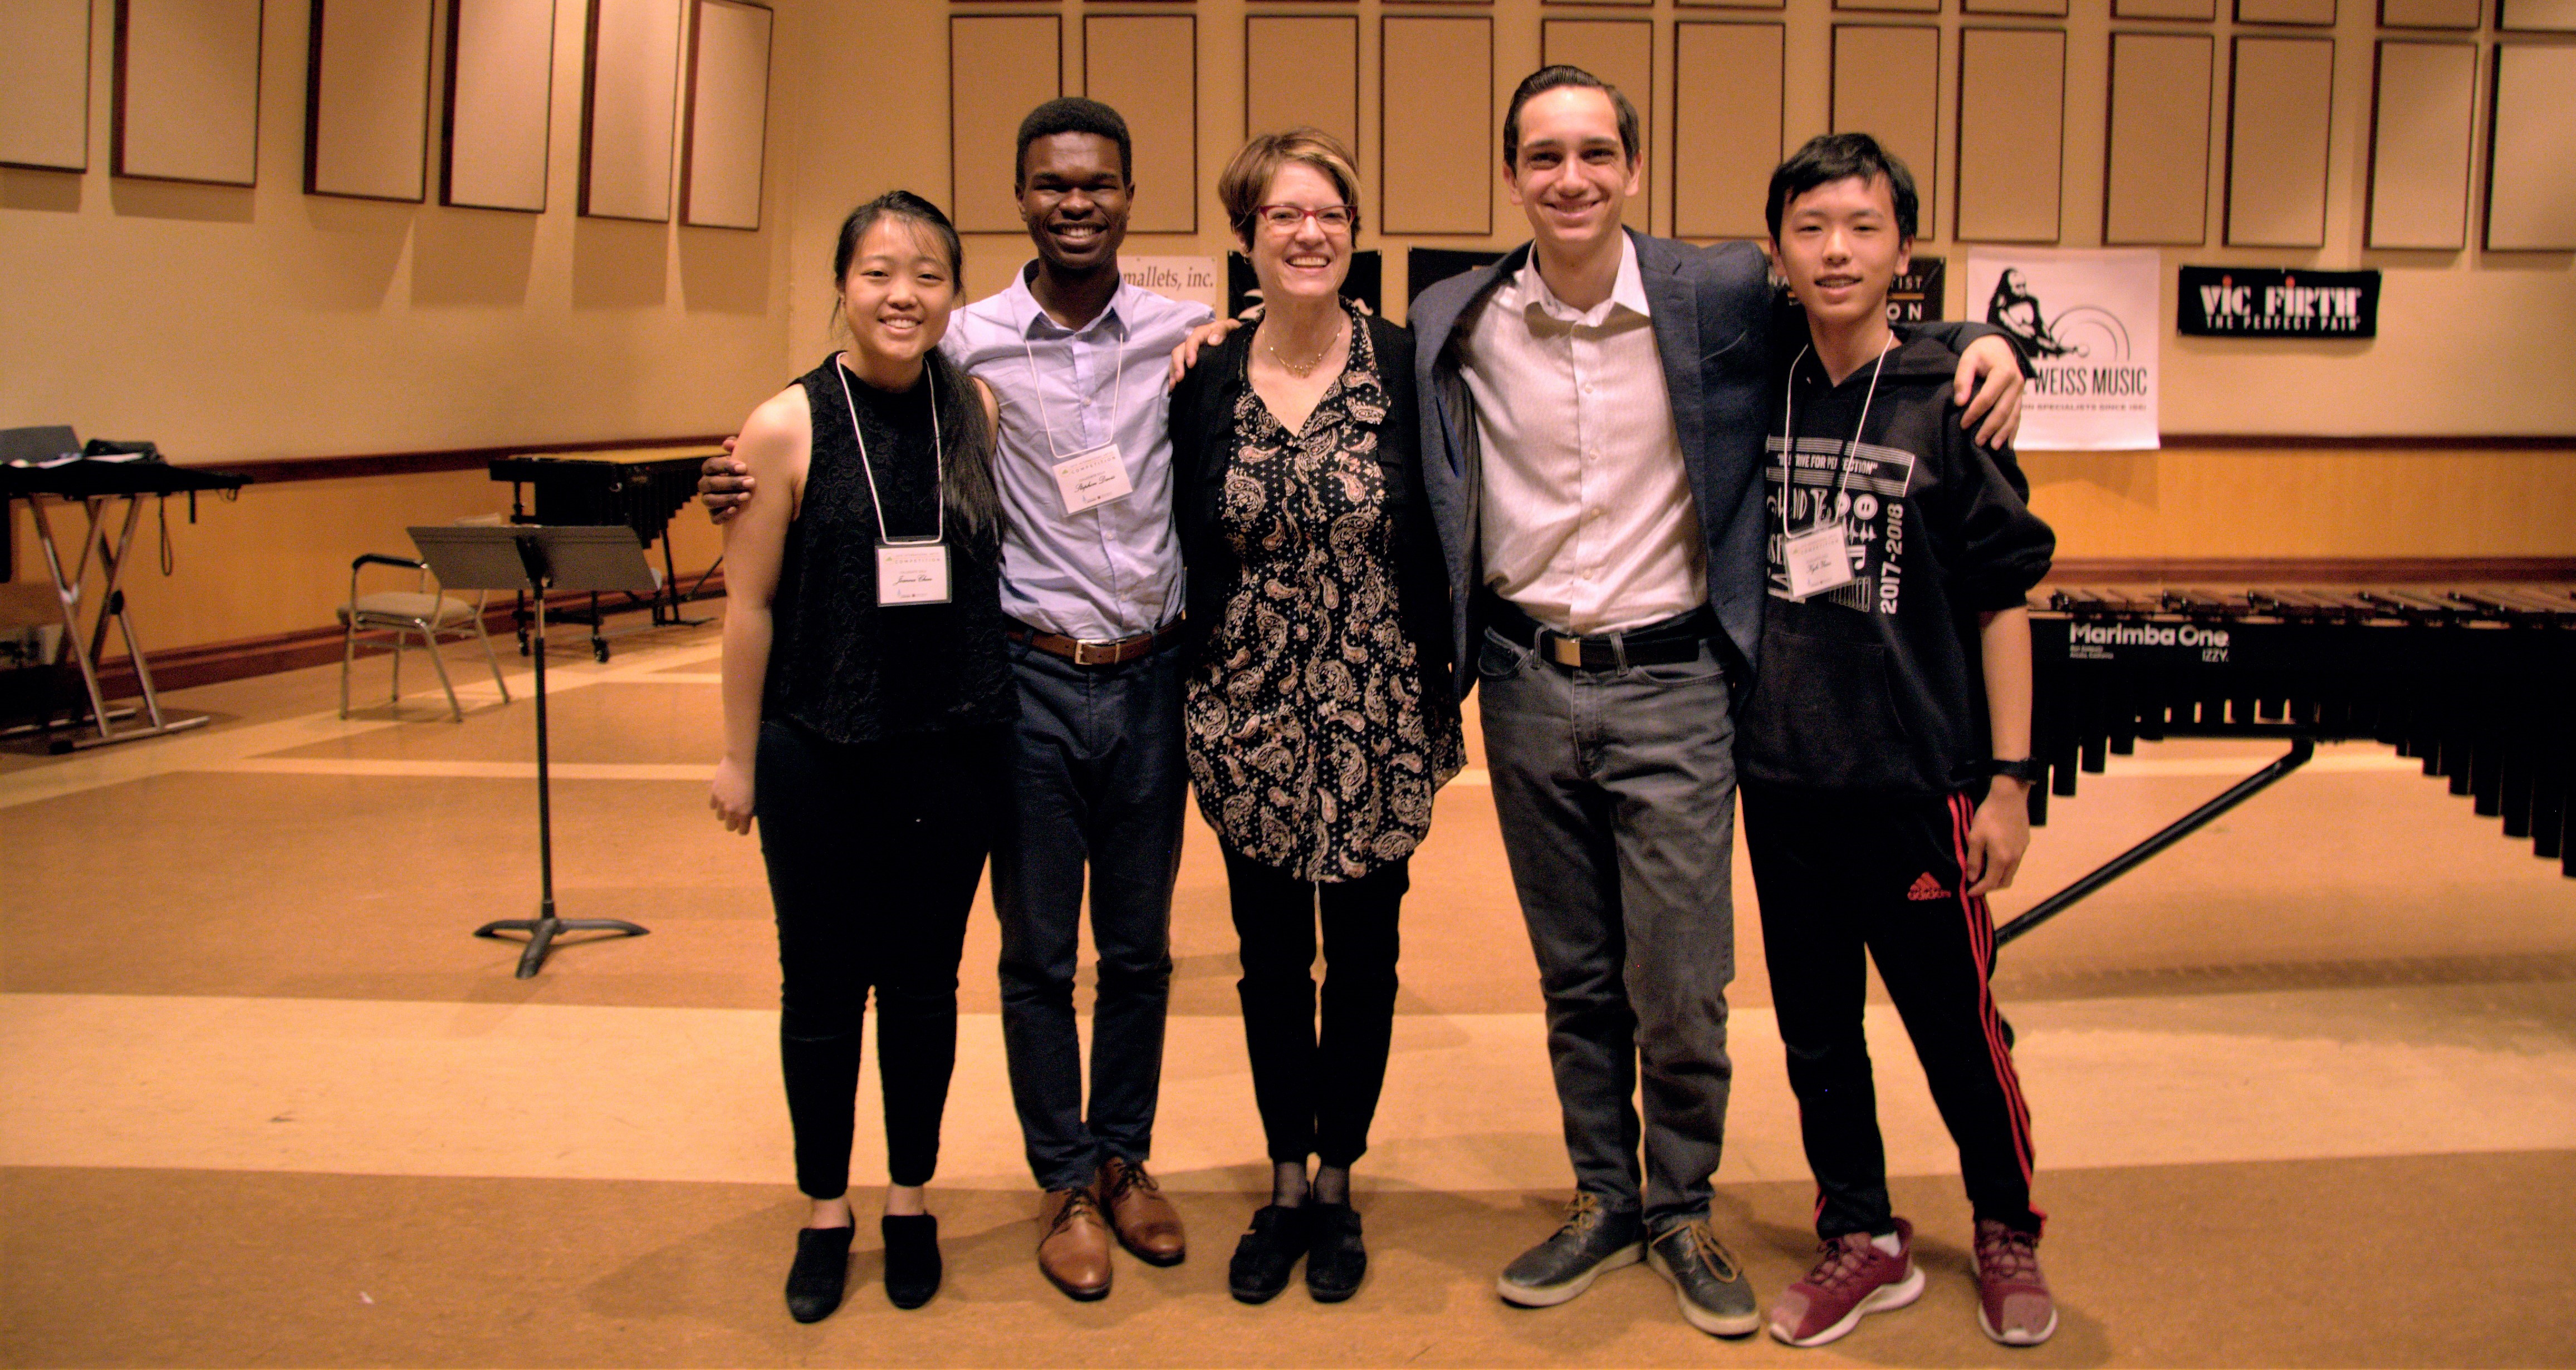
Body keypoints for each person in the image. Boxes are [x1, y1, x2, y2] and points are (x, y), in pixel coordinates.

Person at [1408, 67, 2026, 1339]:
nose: (1571, 176)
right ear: (1512, 174)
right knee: (1578, 975)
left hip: (1678, 683)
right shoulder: (1450, 316)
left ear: (1634, 167)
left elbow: (1856, 293)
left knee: (1685, 980)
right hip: (1524, 684)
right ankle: (1604, 1195)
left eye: (1596, 151)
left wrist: (1985, 339)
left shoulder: (1719, 291)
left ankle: (1682, 1205)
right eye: (1543, 155)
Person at [703, 98, 1207, 1303]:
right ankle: (1061, 1180)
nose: (1075, 202)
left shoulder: (1183, 336)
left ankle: (1122, 1156)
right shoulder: (965, 346)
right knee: (1034, 952)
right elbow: (787, 502)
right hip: (1022, 680)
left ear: (1129, 196)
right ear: (1020, 197)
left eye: (1096, 183)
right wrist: (725, 478)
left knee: (1136, 949)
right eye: (1051, 183)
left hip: (1140, 678)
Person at [1736, 134, 2058, 1349]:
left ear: (1903, 249)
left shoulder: (1951, 391)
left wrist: (2010, 783)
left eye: (1863, 227)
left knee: (1956, 1025)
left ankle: (2006, 1219)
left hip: (1918, 782)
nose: (1836, 251)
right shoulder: (1754, 378)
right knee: (1817, 1031)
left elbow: (2002, 599)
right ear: (1777, 248)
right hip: (1782, 780)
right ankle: (1862, 1233)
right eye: (1810, 228)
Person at [1165, 130, 1463, 1305]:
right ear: (1246, 234)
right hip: (1246, 718)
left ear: (1353, 231)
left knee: (1369, 958)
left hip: (1378, 712)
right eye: (1284, 213)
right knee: (1271, 961)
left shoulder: (1405, 365)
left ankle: (1339, 1177)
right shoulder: (1205, 376)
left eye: (1330, 212)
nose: (1309, 232)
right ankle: (1284, 1177)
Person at [708, 190, 1012, 1323]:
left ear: (954, 293)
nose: (902, 295)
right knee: (824, 985)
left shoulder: (973, 407)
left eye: (928, 274)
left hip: (952, 743)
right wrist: (736, 758)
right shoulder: (784, 424)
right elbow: (748, 607)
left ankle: (910, 1196)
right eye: (879, 272)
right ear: (841, 285)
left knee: (926, 985)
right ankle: (826, 1207)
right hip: (817, 748)